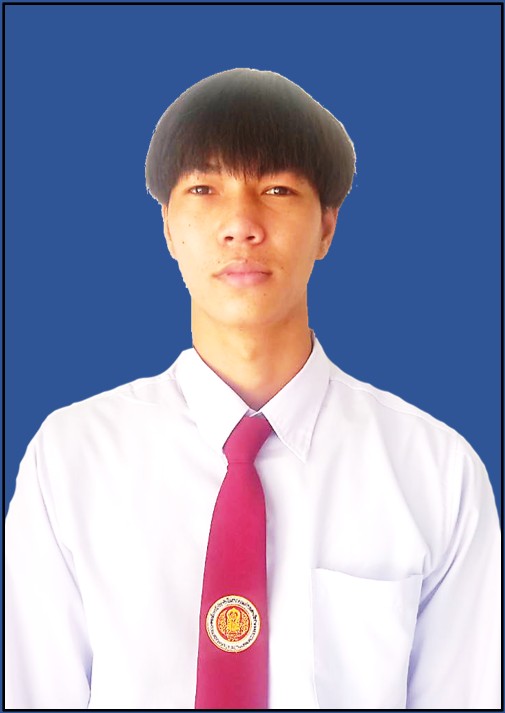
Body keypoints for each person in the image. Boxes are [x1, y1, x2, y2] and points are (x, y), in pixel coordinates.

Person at [5, 68, 500, 709]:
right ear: (167, 227)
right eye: (204, 188)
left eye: (276, 189)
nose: (240, 223)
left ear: (327, 227)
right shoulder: (72, 456)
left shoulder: (434, 470)